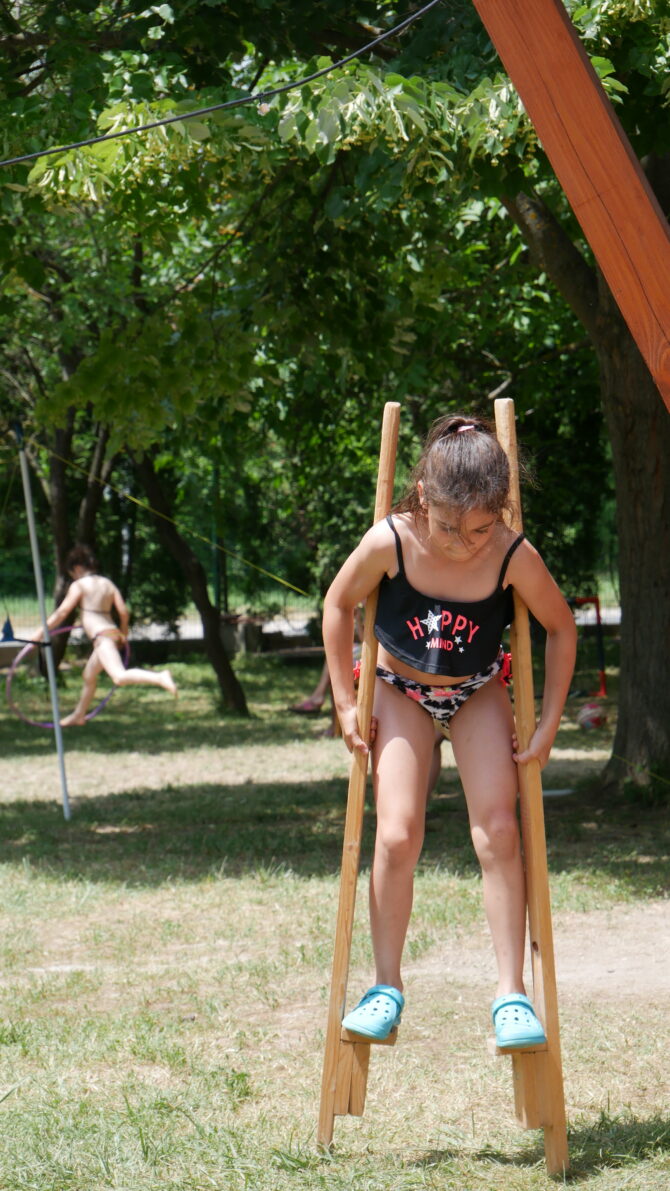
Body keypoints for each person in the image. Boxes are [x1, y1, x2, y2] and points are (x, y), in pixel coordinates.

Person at [322, 413, 577, 1048]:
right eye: (447, 527)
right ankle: (385, 986)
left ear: (501, 511)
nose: (462, 543)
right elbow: (338, 604)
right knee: (397, 833)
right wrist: (345, 701)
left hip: (475, 691)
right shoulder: (392, 539)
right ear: (422, 498)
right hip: (399, 689)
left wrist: (548, 723)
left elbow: (561, 627)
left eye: (479, 529)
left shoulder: (511, 553)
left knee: (499, 830)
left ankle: (511, 994)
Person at [33, 544, 177, 726]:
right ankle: (79, 715)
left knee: (119, 677)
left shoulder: (79, 585)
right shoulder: (108, 584)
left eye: (72, 573)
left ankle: (160, 677)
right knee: (89, 676)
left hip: (102, 637)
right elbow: (123, 612)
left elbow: (62, 613)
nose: (73, 577)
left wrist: (40, 632)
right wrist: (123, 634)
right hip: (112, 634)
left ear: (77, 568)